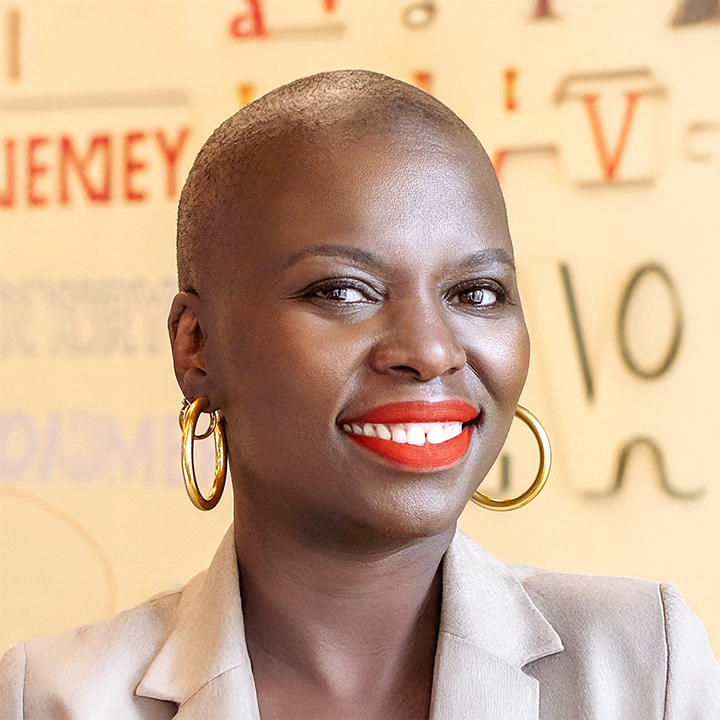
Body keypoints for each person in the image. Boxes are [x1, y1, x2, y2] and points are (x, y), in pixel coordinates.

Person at [1, 69, 719, 720]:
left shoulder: (644, 668)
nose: (430, 351)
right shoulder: (50, 699)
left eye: (476, 292)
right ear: (197, 345)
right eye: (343, 291)